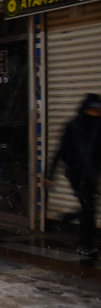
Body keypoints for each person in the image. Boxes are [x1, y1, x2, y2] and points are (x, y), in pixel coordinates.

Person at [45, 93, 101, 256]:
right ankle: (85, 244)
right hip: (77, 174)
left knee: (89, 207)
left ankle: (70, 218)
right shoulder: (75, 126)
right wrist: (51, 175)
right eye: (94, 110)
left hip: (91, 173)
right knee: (88, 207)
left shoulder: (98, 126)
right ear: (86, 110)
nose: (97, 114)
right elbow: (60, 151)